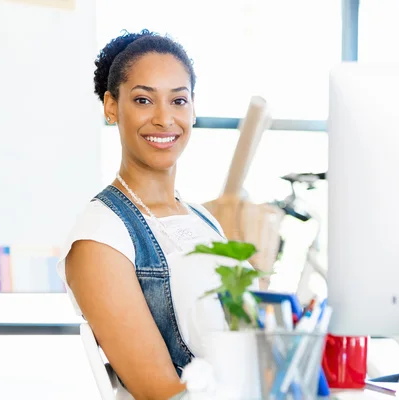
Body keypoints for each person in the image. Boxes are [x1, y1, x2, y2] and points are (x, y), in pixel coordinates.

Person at [57, 29, 242, 399]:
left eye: (178, 101)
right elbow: (163, 394)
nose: (164, 119)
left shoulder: (203, 220)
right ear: (111, 106)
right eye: (143, 100)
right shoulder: (100, 238)